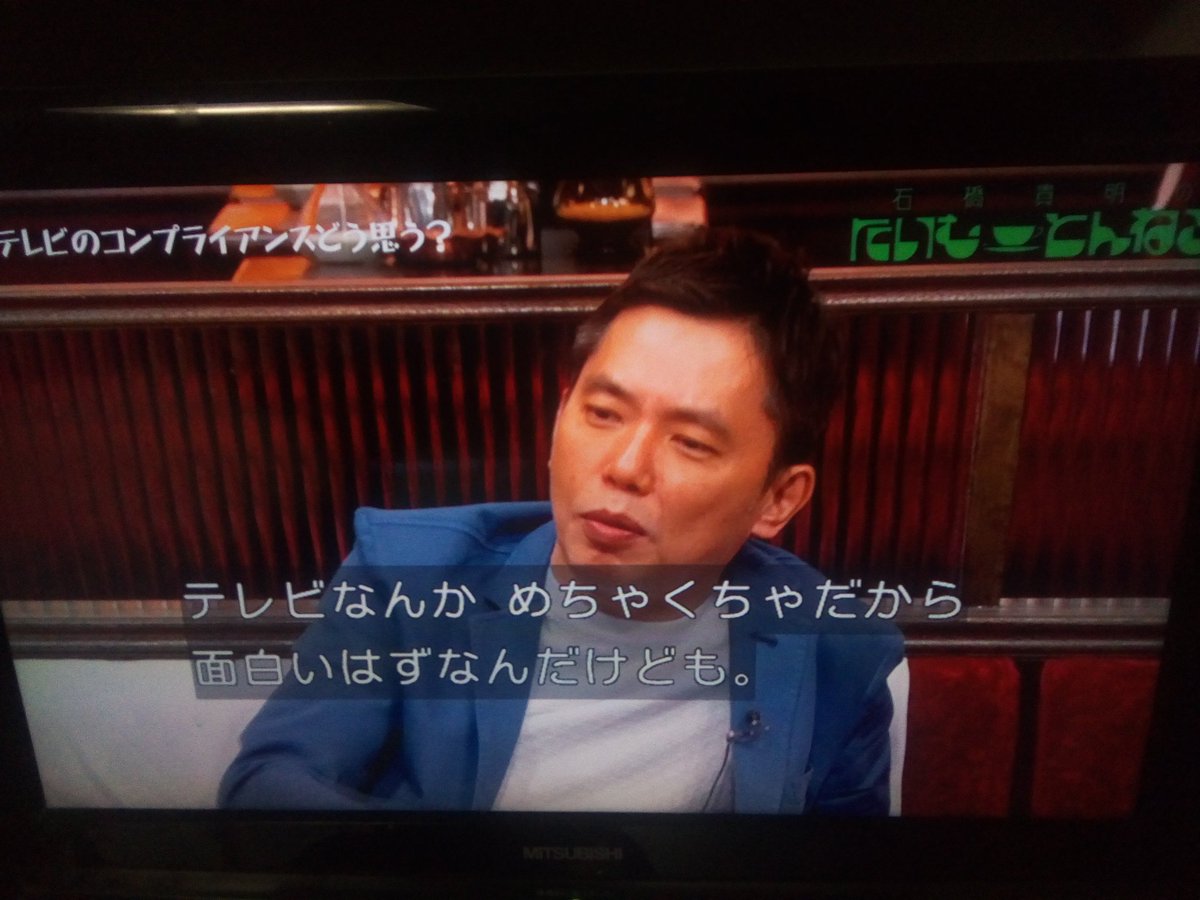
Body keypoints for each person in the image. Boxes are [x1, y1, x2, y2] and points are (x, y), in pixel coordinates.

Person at [219, 228, 905, 815]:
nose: (625, 467)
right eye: (602, 414)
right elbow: (267, 786)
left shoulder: (839, 654)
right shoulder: (408, 575)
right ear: (558, 419)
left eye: (692, 443)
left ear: (778, 498)